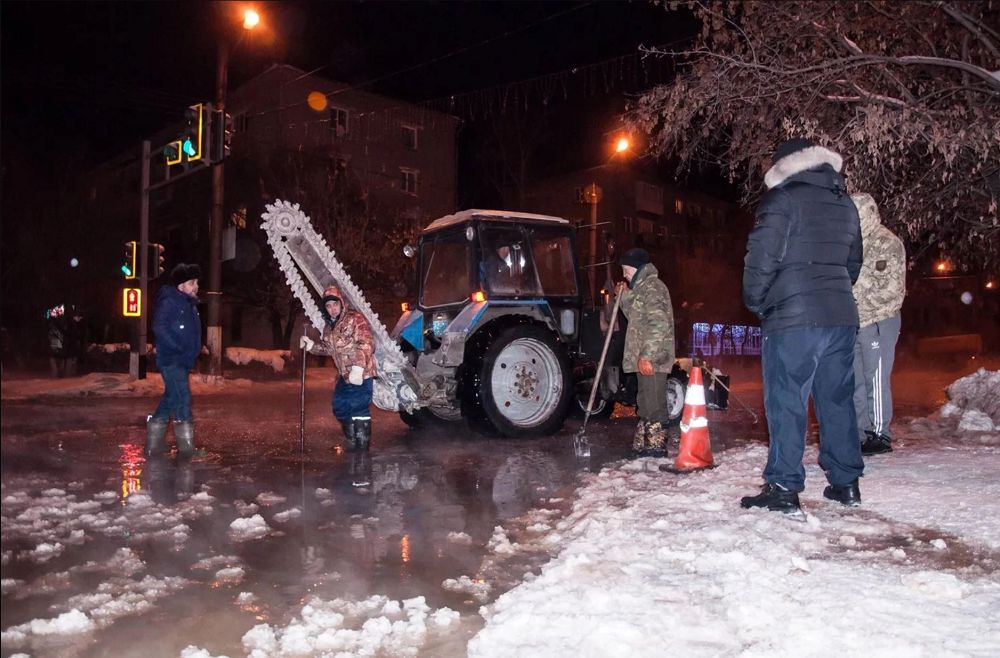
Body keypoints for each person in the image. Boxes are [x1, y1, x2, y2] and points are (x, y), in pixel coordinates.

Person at [740, 138, 865, 514]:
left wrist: (757, 302)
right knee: (837, 400)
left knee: (787, 400)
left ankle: (782, 486)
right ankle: (846, 484)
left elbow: (760, 259)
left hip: (793, 318)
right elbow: (853, 261)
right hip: (841, 316)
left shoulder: (783, 199)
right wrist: (834, 294)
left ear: (784, 168)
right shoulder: (846, 204)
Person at [850, 193, 906, 456]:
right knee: (856, 380)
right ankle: (860, 432)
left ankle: (880, 433)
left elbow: (894, 290)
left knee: (876, 377)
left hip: (880, 320)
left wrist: (856, 302)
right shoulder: (851, 244)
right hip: (855, 323)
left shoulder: (887, 242)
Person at [300, 285, 377, 454]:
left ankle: (362, 450)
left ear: (341, 303)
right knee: (340, 406)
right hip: (344, 375)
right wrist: (312, 346)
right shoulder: (329, 328)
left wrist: (358, 368)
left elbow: (366, 342)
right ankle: (351, 439)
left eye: (335, 304)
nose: (332, 309)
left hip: (361, 373)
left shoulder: (355, 318)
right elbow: (330, 349)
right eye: (328, 306)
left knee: (358, 409)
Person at [615, 248, 676, 457]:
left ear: (637, 268)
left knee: (654, 401)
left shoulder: (653, 288)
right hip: (644, 356)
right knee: (644, 400)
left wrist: (647, 355)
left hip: (654, 357)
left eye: (626, 269)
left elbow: (658, 323)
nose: (624, 274)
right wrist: (623, 297)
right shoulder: (641, 290)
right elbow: (635, 318)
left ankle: (656, 445)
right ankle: (644, 443)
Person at [147, 263, 204, 458]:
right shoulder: (170, 301)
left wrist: (196, 347)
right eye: (191, 282)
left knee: (171, 398)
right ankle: (186, 448)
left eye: (196, 282)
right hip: (172, 359)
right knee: (183, 398)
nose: (195, 286)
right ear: (180, 285)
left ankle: (154, 445)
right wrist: (177, 346)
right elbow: (159, 327)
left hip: (183, 359)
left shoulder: (189, 303)